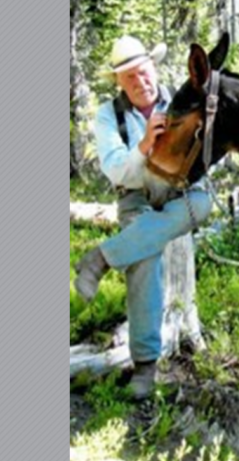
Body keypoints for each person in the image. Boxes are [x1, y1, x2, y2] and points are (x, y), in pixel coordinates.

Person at [74, 35, 213, 400]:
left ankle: (102, 257)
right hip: (135, 197)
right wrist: (144, 147)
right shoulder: (109, 115)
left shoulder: (179, 101)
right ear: (119, 82)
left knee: (203, 204)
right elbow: (117, 171)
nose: (140, 82)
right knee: (144, 258)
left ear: (154, 68)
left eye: (143, 72)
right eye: (129, 77)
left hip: (181, 193)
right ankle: (146, 366)